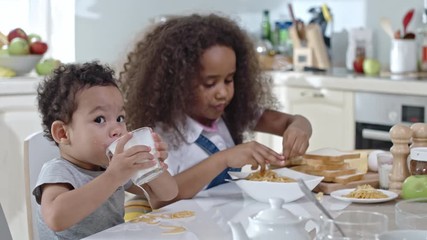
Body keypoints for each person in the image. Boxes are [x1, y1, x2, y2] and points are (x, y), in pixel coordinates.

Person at [120, 13, 312, 204]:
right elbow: (160, 200)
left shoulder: (229, 113)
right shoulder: (163, 135)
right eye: (210, 83)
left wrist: (299, 127)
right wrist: (224, 159)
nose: (223, 93)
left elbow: (290, 121)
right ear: (177, 84)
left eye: (229, 80)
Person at [34, 61, 178, 239]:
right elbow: (56, 218)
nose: (117, 129)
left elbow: (168, 194)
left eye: (120, 118)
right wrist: (113, 176)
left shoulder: (113, 167)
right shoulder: (59, 172)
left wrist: (152, 164)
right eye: (100, 119)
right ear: (63, 133)